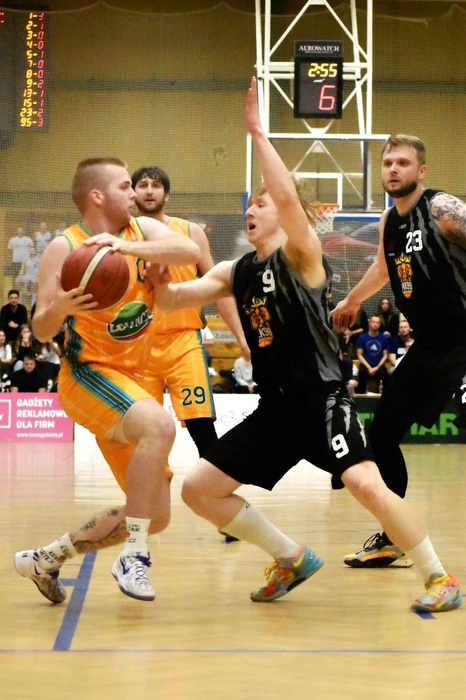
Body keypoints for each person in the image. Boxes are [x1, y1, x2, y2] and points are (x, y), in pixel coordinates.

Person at [149, 80, 460, 613]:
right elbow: (176, 298)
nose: (252, 209)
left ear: (284, 213)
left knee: (366, 484)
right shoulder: (235, 271)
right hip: (275, 410)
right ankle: (290, 557)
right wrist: (153, 275)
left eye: (263, 202)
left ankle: (439, 576)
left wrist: (257, 134)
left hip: (322, 402)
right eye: (250, 204)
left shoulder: (301, 255)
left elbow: (289, 197)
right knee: (199, 490)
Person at [14, 156, 200, 604]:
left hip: (135, 384)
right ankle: (133, 556)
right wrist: (61, 308)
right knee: (160, 426)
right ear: (97, 196)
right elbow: (40, 329)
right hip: (88, 376)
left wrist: (129, 251)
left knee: (155, 515)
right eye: (123, 186)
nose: (134, 193)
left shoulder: (142, 232)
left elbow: (190, 253)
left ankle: (45, 558)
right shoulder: (65, 247)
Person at [331, 134, 466, 572]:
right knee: (381, 436)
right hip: (429, 347)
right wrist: (352, 300)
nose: (393, 169)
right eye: (388, 162)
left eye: (403, 162)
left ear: (421, 171)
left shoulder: (442, 208)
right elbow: (382, 267)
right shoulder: (390, 221)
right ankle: (394, 539)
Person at [131, 165, 249, 458]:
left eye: (156, 185)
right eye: (142, 185)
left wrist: (241, 337)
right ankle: (151, 486)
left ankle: (213, 482)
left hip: (183, 341)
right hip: (137, 345)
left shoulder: (190, 232)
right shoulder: (120, 236)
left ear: (167, 195)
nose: (149, 191)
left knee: (202, 427)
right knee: (142, 432)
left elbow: (219, 288)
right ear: (132, 193)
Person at [355, 314, 389, 394]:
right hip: (366, 364)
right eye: (373, 322)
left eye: (377, 322)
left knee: (385, 374)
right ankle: (361, 397)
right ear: (369, 323)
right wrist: (369, 367)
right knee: (362, 372)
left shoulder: (384, 338)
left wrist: (376, 368)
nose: (375, 324)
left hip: (378, 365)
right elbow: (359, 355)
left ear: (380, 324)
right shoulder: (362, 337)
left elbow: (385, 355)